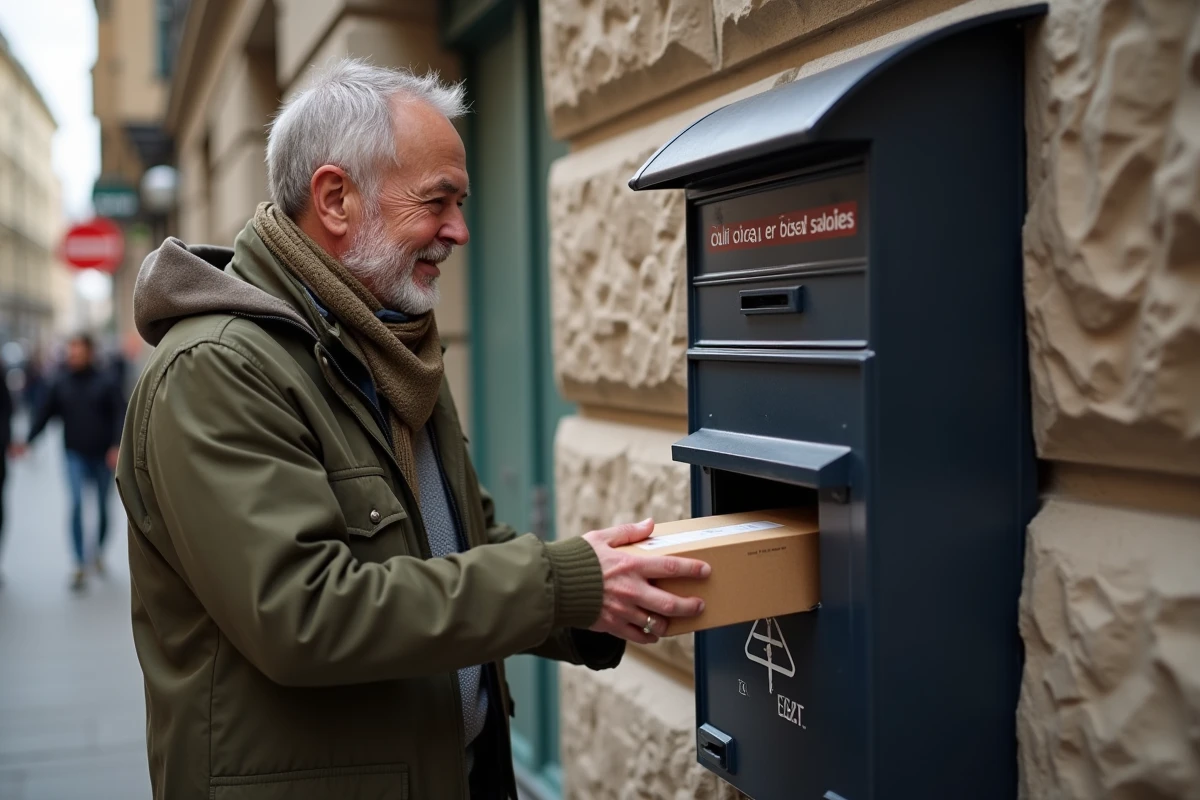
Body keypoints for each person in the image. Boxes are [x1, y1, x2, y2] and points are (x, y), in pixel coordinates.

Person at [117, 59, 711, 800]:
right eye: (439, 201)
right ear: (336, 198)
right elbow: (305, 614)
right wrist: (563, 584)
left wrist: (611, 599)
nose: (459, 231)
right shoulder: (216, 371)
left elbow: (466, 548)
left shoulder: (386, 344)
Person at [12, 334, 124, 590]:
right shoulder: (59, 382)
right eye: (70, 350)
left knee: (104, 509)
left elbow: (120, 413)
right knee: (75, 504)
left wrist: (116, 446)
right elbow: (44, 414)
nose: (73, 354)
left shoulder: (106, 381)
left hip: (102, 455)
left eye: (78, 350)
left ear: (89, 352)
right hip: (74, 453)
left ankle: (97, 552)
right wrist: (27, 440)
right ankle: (78, 561)